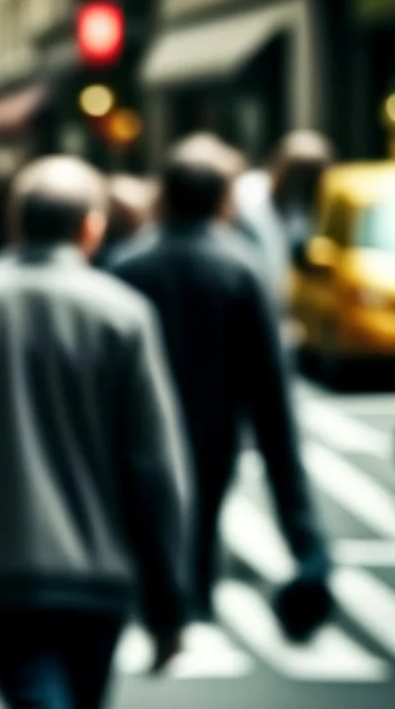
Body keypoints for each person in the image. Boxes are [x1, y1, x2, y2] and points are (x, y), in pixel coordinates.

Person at [0, 154, 192, 709]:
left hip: (1, 572)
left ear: (15, 223)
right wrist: (169, 603)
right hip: (102, 578)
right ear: (92, 226)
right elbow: (155, 468)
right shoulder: (126, 315)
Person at [110, 136, 332, 635]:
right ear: (224, 199)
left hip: (133, 438)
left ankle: (162, 607)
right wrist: (307, 546)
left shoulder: (127, 264)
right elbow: (274, 405)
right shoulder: (242, 268)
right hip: (215, 436)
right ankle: (190, 608)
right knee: (201, 525)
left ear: (163, 194)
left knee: (146, 529)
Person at [233, 130, 335, 304]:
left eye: (310, 178)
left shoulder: (300, 210)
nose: (302, 185)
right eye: (298, 174)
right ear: (279, 167)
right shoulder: (246, 196)